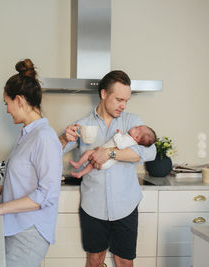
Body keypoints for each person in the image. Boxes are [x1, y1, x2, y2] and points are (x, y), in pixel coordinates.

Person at [59, 70, 156, 267]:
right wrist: (63, 138)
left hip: (126, 206)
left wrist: (110, 153)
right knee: (94, 261)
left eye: (126, 100)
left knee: (124, 262)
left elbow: (149, 153)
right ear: (104, 94)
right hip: (93, 207)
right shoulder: (83, 124)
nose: (123, 105)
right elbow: (51, 152)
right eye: (119, 99)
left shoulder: (132, 121)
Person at [0, 59, 63, 267]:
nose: (7, 109)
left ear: (20, 100)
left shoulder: (44, 137)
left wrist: (0, 209)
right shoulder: (27, 134)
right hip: (16, 224)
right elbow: (24, 176)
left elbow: (47, 194)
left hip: (29, 231)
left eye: (7, 103)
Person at [70, 126, 156, 178]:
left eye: (138, 128)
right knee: (91, 165)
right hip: (104, 162)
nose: (136, 126)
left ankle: (78, 164)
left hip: (106, 161)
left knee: (89, 153)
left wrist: (118, 135)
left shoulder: (130, 140)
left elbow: (120, 145)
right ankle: (80, 173)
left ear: (136, 137)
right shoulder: (131, 139)